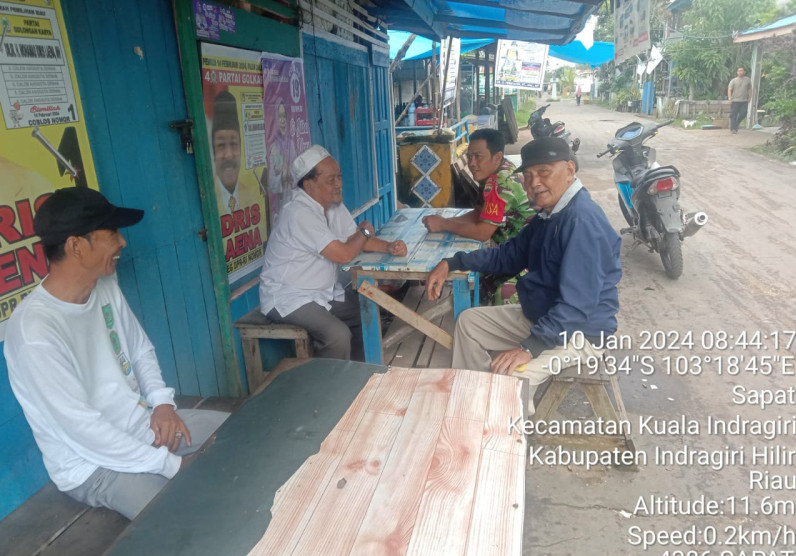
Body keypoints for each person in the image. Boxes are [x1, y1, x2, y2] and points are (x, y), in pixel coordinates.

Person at [4, 187, 229, 520]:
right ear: (76, 245)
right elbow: (85, 431)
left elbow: (139, 349)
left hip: (143, 426)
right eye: (112, 233)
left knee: (244, 436)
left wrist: (163, 405)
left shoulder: (104, 284)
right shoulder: (34, 331)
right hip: (93, 464)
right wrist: (172, 465)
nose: (122, 242)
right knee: (185, 520)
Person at [426, 137, 621, 400]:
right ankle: (475, 400)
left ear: (570, 170)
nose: (534, 183)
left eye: (544, 172)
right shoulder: (549, 214)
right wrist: (454, 262)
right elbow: (509, 255)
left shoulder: (582, 221)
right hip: (543, 317)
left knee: (512, 379)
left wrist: (529, 348)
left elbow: (577, 305)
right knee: (470, 323)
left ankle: (506, 429)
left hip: (578, 333)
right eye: (528, 175)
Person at [259, 145, 407, 360]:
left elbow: (355, 241)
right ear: (309, 185)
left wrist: (389, 246)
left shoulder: (331, 204)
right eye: (331, 180)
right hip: (288, 297)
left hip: (320, 293)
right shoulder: (298, 212)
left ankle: (358, 375)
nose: (339, 184)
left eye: (339, 177)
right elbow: (345, 254)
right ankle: (328, 388)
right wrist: (364, 230)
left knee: (365, 311)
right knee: (337, 336)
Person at [422, 128, 536, 303]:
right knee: (472, 274)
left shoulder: (500, 181)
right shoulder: (503, 169)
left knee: (498, 291)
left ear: (497, 157)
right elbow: (480, 214)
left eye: (478, 156)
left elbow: (482, 232)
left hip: (527, 259)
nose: (472, 163)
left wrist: (444, 224)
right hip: (513, 251)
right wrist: (444, 222)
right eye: (470, 156)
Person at [211, 90, 262, 215]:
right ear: (213, 152)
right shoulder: (209, 198)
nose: (228, 155)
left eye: (234, 144)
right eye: (221, 145)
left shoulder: (251, 197)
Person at [267, 98, 297, 218]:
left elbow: (297, 175)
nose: (283, 120)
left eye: (284, 116)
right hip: (280, 208)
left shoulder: (291, 144)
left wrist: (287, 171)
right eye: (279, 116)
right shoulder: (274, 147)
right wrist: (282, 174)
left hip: (295, 204)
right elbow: (272, 184)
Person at [727, 67, 752, 134]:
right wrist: (730, 98)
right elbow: (729, 90)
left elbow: (749, 89)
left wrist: (750, 97)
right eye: (739, 71)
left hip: (744, 100)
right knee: (733, 115)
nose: (740, 72)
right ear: (737, 72)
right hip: (735, 100)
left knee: (743, 113)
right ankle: (733, 129)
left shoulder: (748, 80)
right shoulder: (733, 81)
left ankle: (737, 123)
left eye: (741, 71)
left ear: (744, 72)